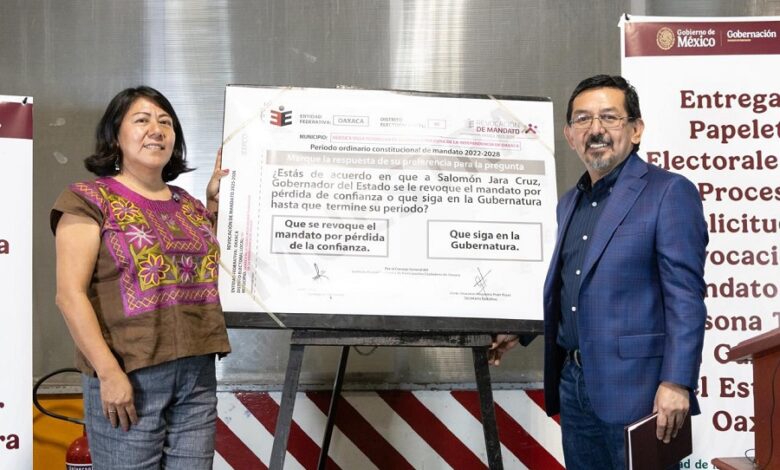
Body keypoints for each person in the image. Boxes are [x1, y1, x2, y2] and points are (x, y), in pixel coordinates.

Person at [490, 74, 708, 469]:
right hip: (575, 387)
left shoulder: (668, 192)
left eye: (609, 117)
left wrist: (677, 382)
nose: (596, 130)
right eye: (582, 119)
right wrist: (520, 332)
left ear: (636, 130)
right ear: (569, 135)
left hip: (640, 392)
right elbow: (570, 289)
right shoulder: (569, 203)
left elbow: (686, 298)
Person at [51, 86, 231, 469]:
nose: (157, 130)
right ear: (115, 135)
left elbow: (202, 267)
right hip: (128, 375)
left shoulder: (189, 205)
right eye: (142, 120)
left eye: (166, 122)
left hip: (196, 375)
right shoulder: (88, 199)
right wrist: (108, 373)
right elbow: (69, 295)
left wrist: (214, 203)